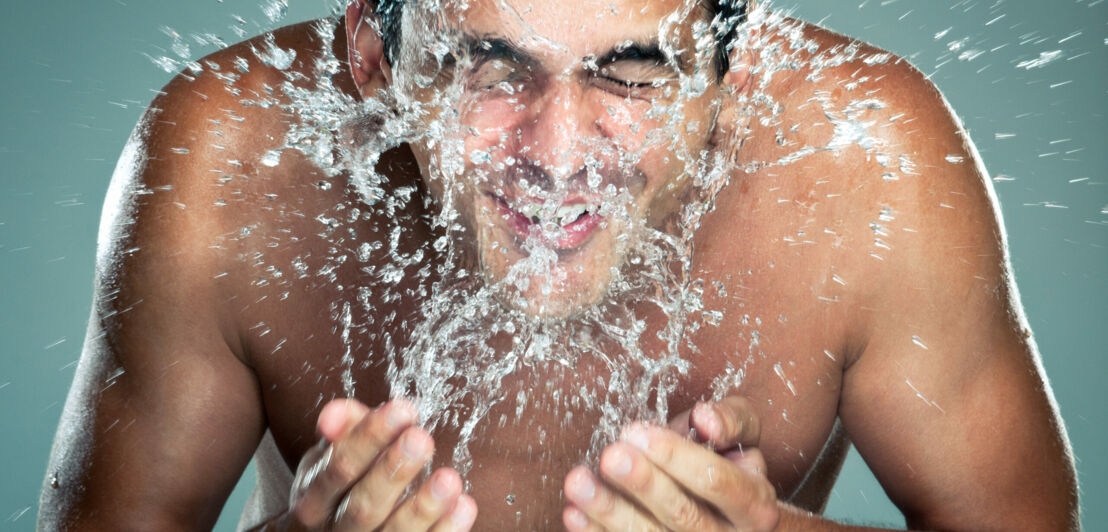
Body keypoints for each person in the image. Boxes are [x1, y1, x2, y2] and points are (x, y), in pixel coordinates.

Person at [39, 0, 1079, 530]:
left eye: (634, 76)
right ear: (372, 58)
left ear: (728, 74)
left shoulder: (865, 163)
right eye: (490, 68)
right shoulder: (234, 160)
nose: (560, 153)